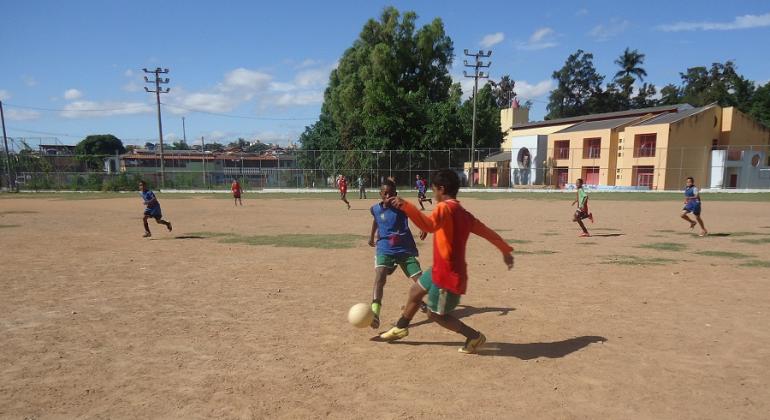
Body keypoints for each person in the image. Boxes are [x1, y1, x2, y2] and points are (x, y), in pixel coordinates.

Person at [378, 169, 514, 354]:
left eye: (434, 190)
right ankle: (401, 327)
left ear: (441, 189)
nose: (433, 194)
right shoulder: (463, 213)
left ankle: (474, 336)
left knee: (435, 315)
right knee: (415, 291)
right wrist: (505, 249)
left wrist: (405, 206)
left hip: (448, 276)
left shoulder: (444, 208)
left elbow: (428, 225)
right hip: (439, 270)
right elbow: (486, 231)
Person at [367, 179, 426, 329]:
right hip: (384, 247)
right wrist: (371, 235)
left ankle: (423, 302)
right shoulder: (375, 209)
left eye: (391, 193)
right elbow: (376, 220)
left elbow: (415, 213)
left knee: (421, 281)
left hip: (404, 249)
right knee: (380, 275)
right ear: (380, 194)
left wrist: (422, 226)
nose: (387, 196)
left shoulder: (401, 207)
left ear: (396, 194)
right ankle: (375, 313)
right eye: (385, 193)